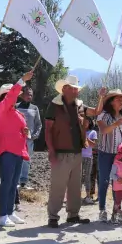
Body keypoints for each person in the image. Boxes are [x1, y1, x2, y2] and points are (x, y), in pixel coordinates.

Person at [44, 74, 91, 228]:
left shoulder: (80, 106)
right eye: (73, 88)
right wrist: (51, 150)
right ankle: (53, 216)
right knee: (58, 186)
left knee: (75, 187)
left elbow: (96, 111)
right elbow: (48, 130)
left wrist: (102, 97)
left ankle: (73, 215)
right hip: (60, 152)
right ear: (64, 89)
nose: (76, 91)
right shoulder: (54, 106)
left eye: (77, 88)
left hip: (77, 152)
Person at [0, 70, 34, 227]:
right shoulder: (0, 108)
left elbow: (20, 129)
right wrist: (22, 79)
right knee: (7, 182)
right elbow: (11, 97)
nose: (16, 97)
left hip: (18, 151)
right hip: (7, 150)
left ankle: (9, 212)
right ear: (5, 96)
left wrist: (25, 132)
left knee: (13, 184)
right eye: (12, 94)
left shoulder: (17, 113)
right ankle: (2, 215)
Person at [95, 87, 122, 222]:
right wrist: (116, 123)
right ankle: (102, 210)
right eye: (118, 99)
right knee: (104, 181)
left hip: (120, 157)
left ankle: (115, 211)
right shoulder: (103, 115)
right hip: (105, 153)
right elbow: (104, 130)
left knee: (118, 183)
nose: (121, 101)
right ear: (111, 102)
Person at [15, 85, 42, 191]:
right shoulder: (16, 106)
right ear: (22, 95)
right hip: (16, 139)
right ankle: (15, 180)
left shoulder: (34, 108)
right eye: (27, 94)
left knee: (27, 160)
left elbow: (38, 124)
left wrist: (35, 135)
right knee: (16, 159)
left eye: (31, 94)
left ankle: (23, 181)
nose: (29, 96)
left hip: (29, 140)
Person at [81, 115, 97, 204]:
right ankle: (76, 196)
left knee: (87, 177)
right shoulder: (79, 131)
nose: (85, 123)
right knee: (78, 178)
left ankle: (88, 196)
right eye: (83, 121)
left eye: (86, 121)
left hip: (88, 157)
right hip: (78, 157)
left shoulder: (93, 132)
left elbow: (93, 145)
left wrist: (85, 137)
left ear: (90, 122)